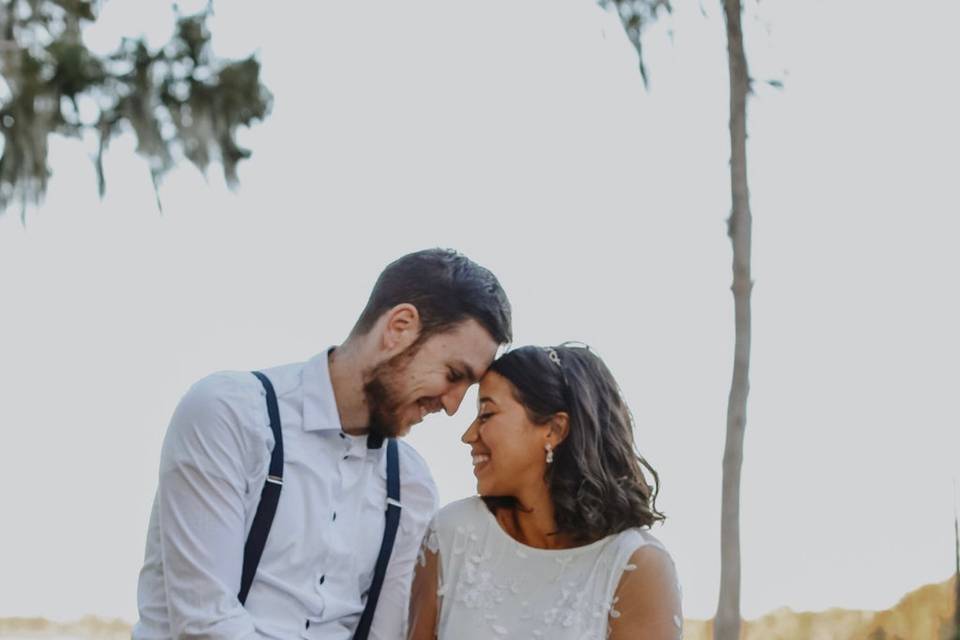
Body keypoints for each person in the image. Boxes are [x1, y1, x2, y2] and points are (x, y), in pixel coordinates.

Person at [133, 248, 512, 640]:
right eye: (453, 375)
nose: (452, 406)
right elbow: (205, 623)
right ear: (399, 327)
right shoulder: (230, 414)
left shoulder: (412, 485)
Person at [408, 344, 682, 640]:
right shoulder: (453, 533)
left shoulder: (637, 566)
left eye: (486, 414)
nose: (469, 435)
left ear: (554, 429)